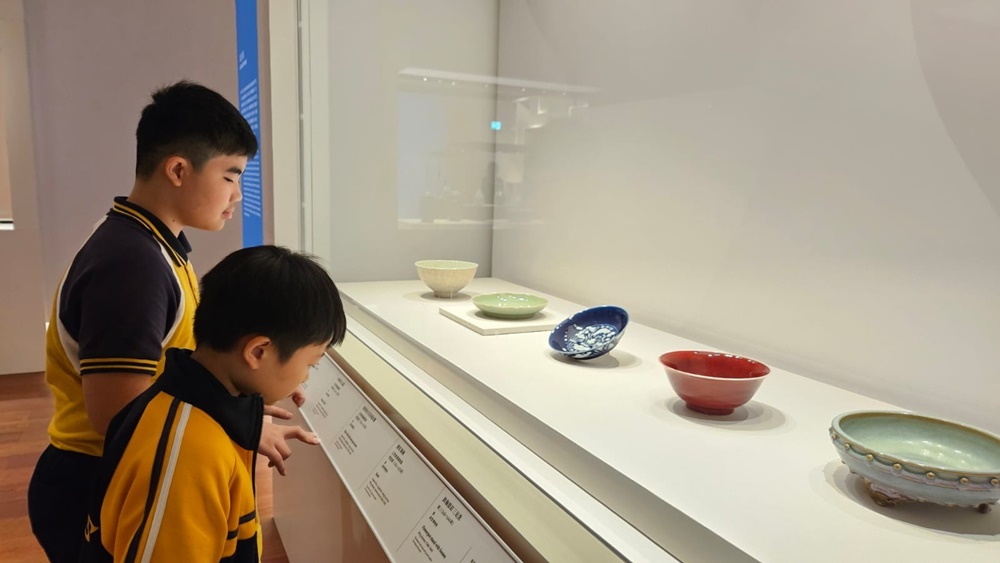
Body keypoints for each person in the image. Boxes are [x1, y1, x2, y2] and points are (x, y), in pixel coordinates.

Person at [28, 81, 315, 562]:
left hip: (122, 470)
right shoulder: (131, 265)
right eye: (230, 175)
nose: (237, 194)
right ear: (179, 170)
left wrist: (254, 384)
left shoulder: (150, 245)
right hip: (95, 479)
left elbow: (174, 370)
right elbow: (120, 416)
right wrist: (235, 422)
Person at [81, 245, 346, 561]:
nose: (305, 377)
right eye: (310, 364)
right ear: (258, 352)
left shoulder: (198, 408)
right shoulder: (189, 457)